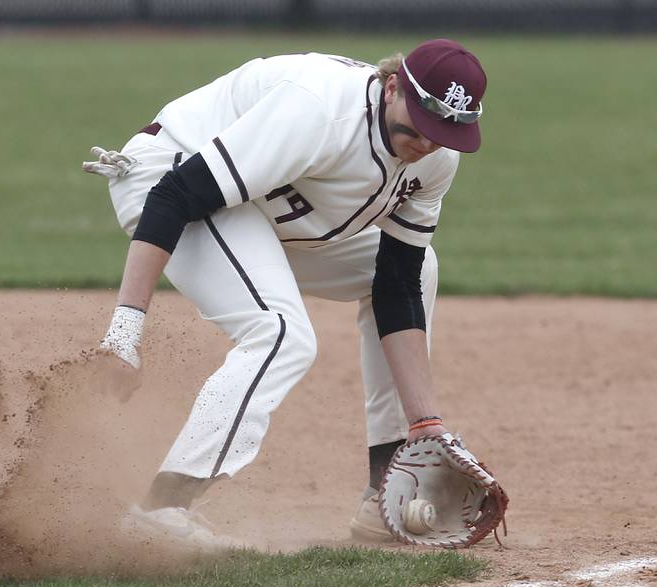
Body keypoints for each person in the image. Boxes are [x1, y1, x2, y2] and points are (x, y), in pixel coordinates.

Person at [83, 38, 487, 552]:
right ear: (392, 89)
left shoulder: (436, 158)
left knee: (419, 267)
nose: (428, 143)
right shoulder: (318, 111)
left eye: (446, 133)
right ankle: (163, 508)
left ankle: (384, 486)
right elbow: (174, 195)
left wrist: (425, 423)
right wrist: (124, 333)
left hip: (264, 205)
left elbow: (397, 283)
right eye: (423, 126)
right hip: (170, 172)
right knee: (280, 333)